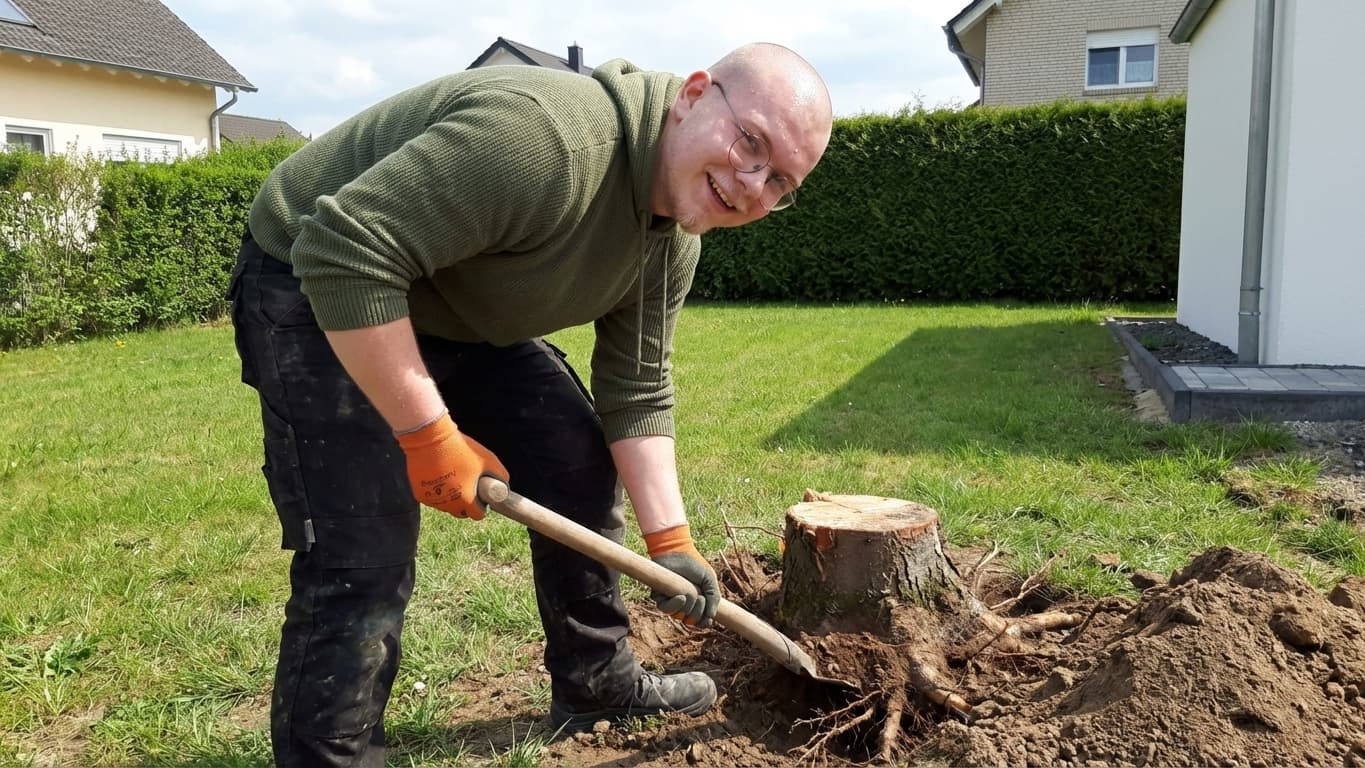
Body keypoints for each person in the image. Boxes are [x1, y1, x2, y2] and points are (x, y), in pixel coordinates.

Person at [228, 40, 832, 767]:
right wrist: (426, 433)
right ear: (694, 95)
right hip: (308, 277)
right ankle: (331, 755)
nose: (752, 183)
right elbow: (345, 251)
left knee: (572, 458)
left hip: (450, 305)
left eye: (780, 181)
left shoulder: (671, 239)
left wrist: (671, 544)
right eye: (750, 142)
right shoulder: (545, 142)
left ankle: (596, 682)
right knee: (364, 549)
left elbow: (636, 389)